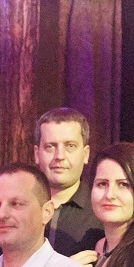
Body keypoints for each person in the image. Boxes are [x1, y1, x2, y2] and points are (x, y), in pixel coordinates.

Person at [36, 107, 99, 259]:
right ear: (37, 154)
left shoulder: (101, 210)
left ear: (85, 154)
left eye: (70, 146)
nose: (60, 156)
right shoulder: (19, 208)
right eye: (50, 146)